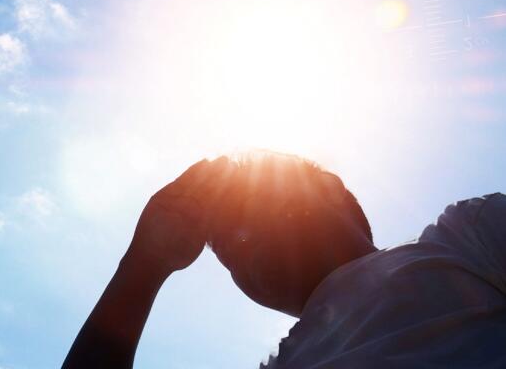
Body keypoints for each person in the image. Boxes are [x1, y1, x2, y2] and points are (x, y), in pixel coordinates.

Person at [61, 150, 506, 368]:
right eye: (225, 247)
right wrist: (144, 267)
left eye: (259, 207)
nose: (241, 240)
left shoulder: (463, 235)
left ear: (330, 190)